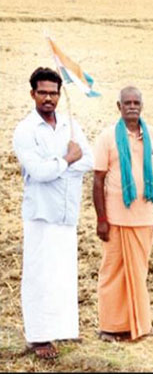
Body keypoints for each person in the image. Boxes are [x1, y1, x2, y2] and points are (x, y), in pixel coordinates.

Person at [12, 68, 94, 359]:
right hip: (41, 214)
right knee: (39, 275)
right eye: (43, 92)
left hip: (66, 213)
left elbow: (90, 160)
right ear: (32, 93)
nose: (49, 98)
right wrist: (68, 160)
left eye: (54, 93)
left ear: (60, 94)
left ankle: (61, 328)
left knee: (63, 274)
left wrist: (60, 164)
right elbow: (39, 172)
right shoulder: (25, 130)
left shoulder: (70, 125)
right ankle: (38, 337)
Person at [93, 86, 153, 341]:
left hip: (144, 218)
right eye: (128, 102)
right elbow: (98, 180)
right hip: (114, 219)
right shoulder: (107, 138)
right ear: (119, 107)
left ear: (142, 106)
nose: (132, 106)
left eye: (136, 102)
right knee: (112, 273)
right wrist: (101, 219)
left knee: (138, 273)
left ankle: (137, 326)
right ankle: (109, 327)